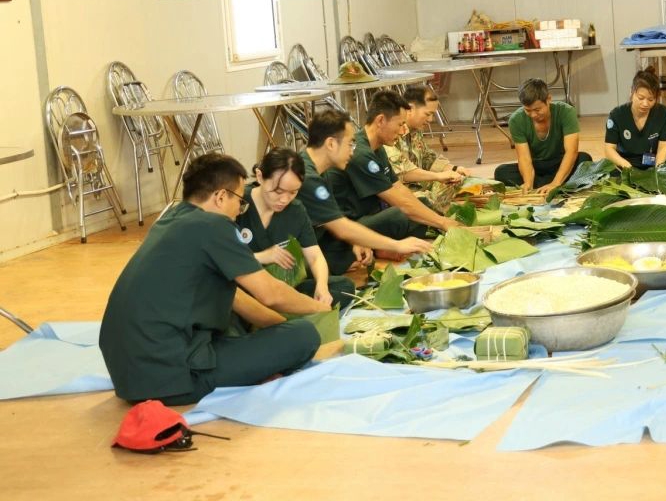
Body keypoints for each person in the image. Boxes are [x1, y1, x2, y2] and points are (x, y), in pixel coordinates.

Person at [99, 153, 327, 405]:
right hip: (171, 377)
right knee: (304, 335)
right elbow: (270, 294)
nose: (240, 210)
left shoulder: (171, 219)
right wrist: (319, 310)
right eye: (239, 201)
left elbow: (237, 298)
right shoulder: (214, 226)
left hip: (128, 373)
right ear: (220, 197)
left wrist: (279, 326)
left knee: (248, 326)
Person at [297, 109, 435, 276]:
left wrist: (356, 242)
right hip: (293, 254)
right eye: (350, 144)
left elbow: (334, 222)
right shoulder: (308, 177)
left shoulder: (321, 171)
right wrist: (396, 245)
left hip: (321, 239)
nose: (352, 151)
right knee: (343, 280)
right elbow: (341, 228)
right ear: (331, 144)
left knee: (355, 249)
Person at [325, 90, 459, 240]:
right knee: (399, 215)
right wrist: (442, 222)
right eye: (400, 124)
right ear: (381, 120)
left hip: (372, 214)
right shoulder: (361, 154)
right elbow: (397, 200)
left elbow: (398, 187)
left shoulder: (377, 147)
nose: (403, 130)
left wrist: (439, 220)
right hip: (350, 225)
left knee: (422, 203)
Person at [236, 148, 357, 310]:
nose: (284, 199)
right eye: (278, 191)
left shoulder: (296, 210)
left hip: (283, 289)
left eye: (293, 192)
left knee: (344, 287)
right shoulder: (237, 203)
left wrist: (322, 287)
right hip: (245, 292)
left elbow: (315, 257)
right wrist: (260, 257)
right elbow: (219, 259)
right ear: (260, 176)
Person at [494, 79, 592, 193]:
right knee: (501, 172)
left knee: (585, 160)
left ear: (548, 99)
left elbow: (572, 151)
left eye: (537, 109)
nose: (533, 115)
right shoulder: (516, 120)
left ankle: (552, 183)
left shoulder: (566, 112)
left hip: (559, 161)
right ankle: (556, 184)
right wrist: (528, 183)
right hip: (535, 166)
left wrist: (556, 183)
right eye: (528, 110)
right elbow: (524, 158)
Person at [385, 86, 470, 201]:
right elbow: (403, 172)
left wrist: (454, 169)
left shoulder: (415, 130)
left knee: (461, 186)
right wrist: (438, 176)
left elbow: (427, 157)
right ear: (410, 109)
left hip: (418, 187)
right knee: (433, 200)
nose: (430, 120)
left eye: (432, 115)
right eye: (427, 114)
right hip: (401, 193)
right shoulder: (391, 132)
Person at [603, 66, 666, 169]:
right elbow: (609, 149)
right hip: (625, 163)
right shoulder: (616, 115)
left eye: (651, 99)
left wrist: (658, 168)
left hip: (653, 161)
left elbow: (663, 147)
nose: (645, 104)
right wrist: (628, 168)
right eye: (640, 98)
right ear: (631, 92)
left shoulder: (663, 113)